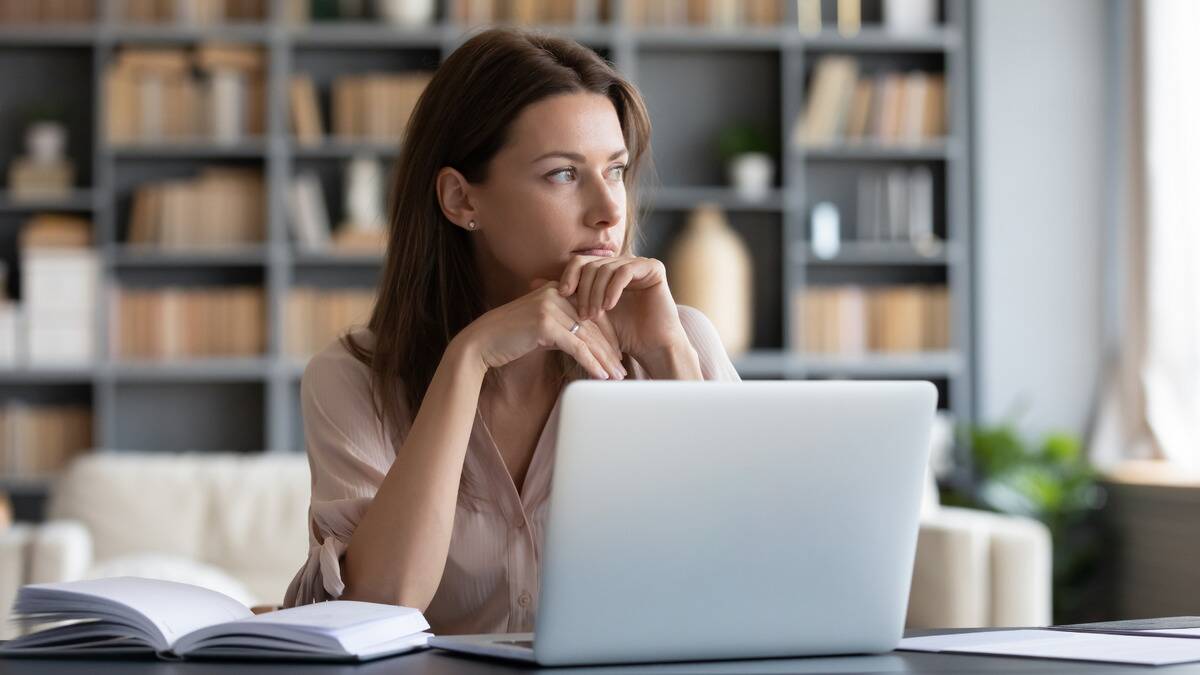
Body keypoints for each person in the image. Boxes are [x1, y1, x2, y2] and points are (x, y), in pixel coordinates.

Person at [283, 26, 742, 635]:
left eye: (617, 170)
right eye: (562, 174)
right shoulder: (353, 379)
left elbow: (745, 572)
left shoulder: (678, 340)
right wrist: (466, 359)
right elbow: (379, 605)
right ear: (461, 200)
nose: (608, 209)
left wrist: (665, 357)